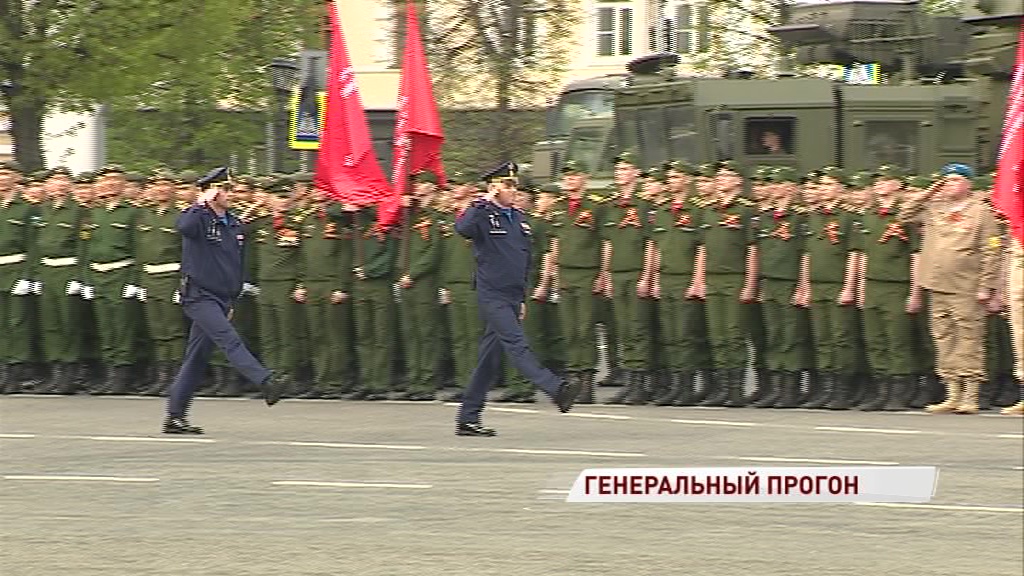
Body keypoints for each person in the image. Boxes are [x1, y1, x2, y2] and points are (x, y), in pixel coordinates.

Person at [453, 162, 581, 436]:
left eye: (514, 186)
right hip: (492, 295)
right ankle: (556, 389)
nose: (513, 191)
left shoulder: (518, 219)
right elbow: (462, 229)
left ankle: (467, 417)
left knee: (488, 359)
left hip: (512, 295)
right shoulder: (483, 215)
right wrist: (482, 201)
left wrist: (521, 298)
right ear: (494, 188)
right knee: (517, 345)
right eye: (507, 185)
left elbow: (522, 260)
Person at [163, 167, 288, 434]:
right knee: (229, 339)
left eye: (231, 189)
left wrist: (231, 299)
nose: (230, 194)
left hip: (221, 297)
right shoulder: (198, 219)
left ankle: (174, 416)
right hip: (199, 295)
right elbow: (182, 227)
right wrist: (200, 202)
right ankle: (266, 382)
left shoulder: (233, 223)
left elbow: (234, 264)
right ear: (213, 192)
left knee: (196, 359)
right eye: (225, 190)